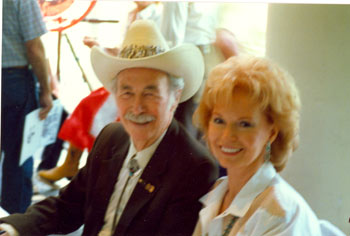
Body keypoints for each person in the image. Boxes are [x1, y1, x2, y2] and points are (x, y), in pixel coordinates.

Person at [0, 19, 218, 236]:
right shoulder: (112, 137)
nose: (137, 107)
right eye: (127, 92)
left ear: (175, 97)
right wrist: (13, 228)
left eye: (150, 93)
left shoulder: (194, 167)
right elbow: (68, 206)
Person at [191, 55, 345, 235]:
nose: (227, 135)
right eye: (219, 120)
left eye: (244, 124)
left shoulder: (280, 214)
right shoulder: (219, 191)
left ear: (272, 133)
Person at [1, 0, 53, 214]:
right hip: (13, 81)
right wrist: (46, 91)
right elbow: (34, 47)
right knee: (18, 156)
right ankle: (14, 224)